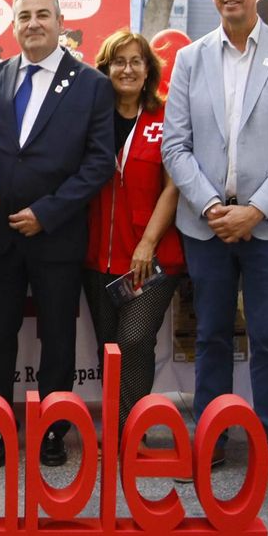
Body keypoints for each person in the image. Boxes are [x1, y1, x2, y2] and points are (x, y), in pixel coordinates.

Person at [162, 0, 268, 495]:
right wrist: (210, 207)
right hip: (205, 224)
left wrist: (255, 210)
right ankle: (210, 439)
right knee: (209, 336)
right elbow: (175, 146)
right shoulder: (190, 58)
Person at [0, 0, 113, 468]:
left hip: (56, 234)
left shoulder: (92, 84)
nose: (33, 23)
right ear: (13, 25)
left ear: (60, 23)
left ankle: (53, 429)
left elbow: (98, 164)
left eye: (42, 15)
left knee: (58, 337)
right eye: (24, 16)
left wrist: (47, 212)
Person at [82, 29, 183, 435]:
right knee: (109, 350)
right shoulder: (91, 118)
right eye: (118, 62)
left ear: (148, 70)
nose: (127, 69)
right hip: (96, 257)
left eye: (135, 61)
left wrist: (147, 243)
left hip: (152, 257)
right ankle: (116, 424)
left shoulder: (166, 116)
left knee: (134, 341)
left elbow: (174, 186)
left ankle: (128, 429)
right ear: (105, 69)